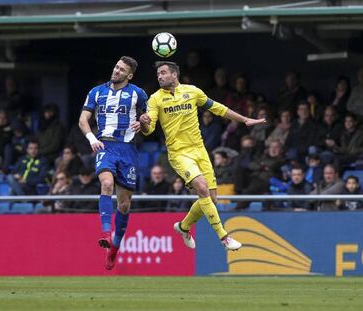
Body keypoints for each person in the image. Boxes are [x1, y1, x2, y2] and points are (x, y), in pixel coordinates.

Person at [140, 61, 265, 251]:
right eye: (158, 74)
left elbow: (218, 108)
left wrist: (244, 119)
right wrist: (143, 123)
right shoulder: (155, 99)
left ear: (175, 75)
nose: (159, 76)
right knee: (201, 187)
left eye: (163, 73)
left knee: (212, 199)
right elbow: (148, 131)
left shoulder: (193, 91)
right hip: (179, 153)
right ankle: (224, 237)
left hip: (200, 151)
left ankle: (183, 227)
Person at [78, 56, 147, 270]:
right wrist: (92, 138)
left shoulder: (138, 94)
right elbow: (83, 120)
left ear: (129, 75)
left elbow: (147, 124)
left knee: (124, 205)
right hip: (105, 146)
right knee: (106, 184)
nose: (116, 71)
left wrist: (142, 123)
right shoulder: (97, 92)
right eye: (116, 66)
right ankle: (105, 233)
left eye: (121, 69)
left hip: (128, 150)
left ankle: (114, 248)